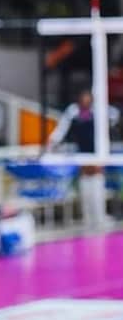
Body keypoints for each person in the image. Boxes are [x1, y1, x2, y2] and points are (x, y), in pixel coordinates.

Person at [48, 89, 120, 227]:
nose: (85, 102)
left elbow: (114, 115)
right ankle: (88, 218)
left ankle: (100, 217)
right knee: (86, 182)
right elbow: (62, 128)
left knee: (97, 181)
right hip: (82, 152)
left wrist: (102, 110)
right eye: (82, 99)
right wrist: (53, 141)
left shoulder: (98, 110)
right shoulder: (73, 111)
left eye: (87, 99)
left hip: (97, 151)